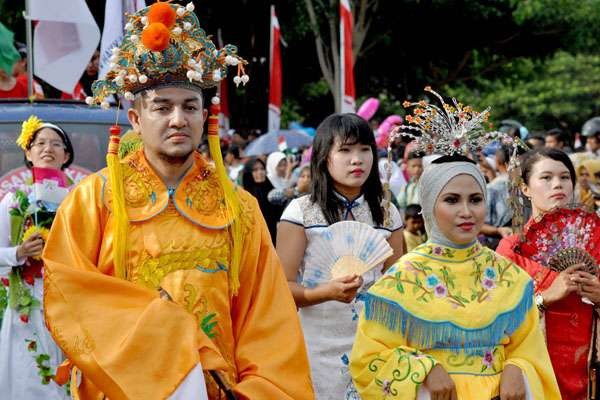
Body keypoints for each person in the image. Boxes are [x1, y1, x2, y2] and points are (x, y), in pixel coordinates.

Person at [42, 3, 313, 399]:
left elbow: (267, 316)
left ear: (206, 116)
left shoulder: (239, 208)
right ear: (135, 118)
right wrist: (166, 329)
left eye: (189, 107)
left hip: (218, 390)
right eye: (162, 107)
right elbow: (68, 291)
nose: (177, 119)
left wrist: (253, 389)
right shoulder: (93, 199)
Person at [350, 88, 560, 399]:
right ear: (429, 206)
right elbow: (367, 361)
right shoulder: (400, 280)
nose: (466, 211)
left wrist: (519, 367)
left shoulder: (510, 279)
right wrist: (421, 370)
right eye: (451, 200)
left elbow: (531, 351)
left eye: (475, 199)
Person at [277, 113, 404, 399]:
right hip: (316, 344)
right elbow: (281, 286)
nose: (356, 159)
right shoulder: (301, 212)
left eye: (364, 149)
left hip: (375, 341)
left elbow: (399, 282)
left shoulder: (387, 212)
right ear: (324, 157)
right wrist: (326, 292)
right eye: (345, 150)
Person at [497, 148, 600, 399]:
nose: (558, 184)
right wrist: (544, 298)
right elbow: (495, 320)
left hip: (587, 370)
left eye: (565, 177)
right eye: (546, 178)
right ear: (525, 189)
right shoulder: (510, 250)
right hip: (535, 368)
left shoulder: (595, 241)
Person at [0, 115, 74, 399]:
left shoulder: (77, 199)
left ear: (66, 155)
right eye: (40, 143)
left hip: (68, 303)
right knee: (27, 376)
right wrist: (19, 253)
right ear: (28, 153)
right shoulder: (14, 200)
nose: (48, 148)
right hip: (26, 305)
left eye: (56, 144)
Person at [241, 157, 285, 242]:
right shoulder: (245, 196)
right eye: (255, 170)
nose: (260, 172)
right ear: (249, 173)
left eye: (262, 169)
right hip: (254, 238)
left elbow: (278, 213)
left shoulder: (270, 189)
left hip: (272, 234)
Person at [396, 150, 424, 215]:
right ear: (408, 167)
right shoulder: (407, 185)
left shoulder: (428, 186)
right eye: (413, 166)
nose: (417, 169)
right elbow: (401, 203)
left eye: (420, 166)